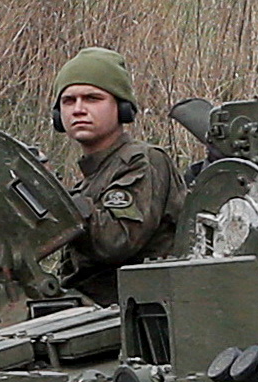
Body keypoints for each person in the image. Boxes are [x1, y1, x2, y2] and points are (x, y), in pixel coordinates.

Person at [45, 46, 185, 305]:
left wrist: (53, 197)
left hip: (134, 315)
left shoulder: (143, 161)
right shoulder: (91, 178)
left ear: (121, 108)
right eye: (68, 101)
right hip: (89, 311)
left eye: (92, 98)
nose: (78, 109)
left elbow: (115, 242)